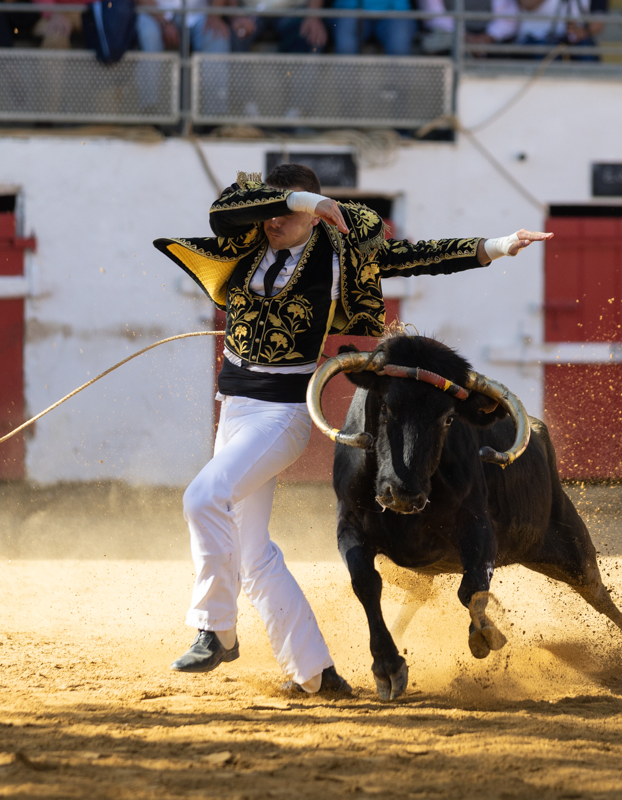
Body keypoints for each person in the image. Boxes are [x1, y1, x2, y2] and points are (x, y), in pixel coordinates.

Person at [152, 164, 551, 694]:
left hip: (282, 413)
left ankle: (216, 630)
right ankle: (316, 674)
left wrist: (498, 245)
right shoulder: (246, 236)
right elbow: (225, 208)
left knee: (203, 497)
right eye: (271, 211)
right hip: (237, 408)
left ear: (314, 220)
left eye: (287, 215)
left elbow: (419, 257)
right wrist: (300, 202)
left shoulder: (343, 256)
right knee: (252, 554)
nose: (275, 222)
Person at [135, 0, 233, 55]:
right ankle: (150, 91)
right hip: (154, 13)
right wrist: (164, 22)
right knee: (150, 34)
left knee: (217, 34)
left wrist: (214, 15)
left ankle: (216, 92)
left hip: (198, 13)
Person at [229, 0, 328, 53]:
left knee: (312, 36)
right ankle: (240, 89)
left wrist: (313, 16)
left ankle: (301, 91)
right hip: (249, 11)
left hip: (294, 10)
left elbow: (312, 18)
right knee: (237, 33)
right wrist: (236, 16)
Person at [330, 0, 416, 55]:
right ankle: (346, 83)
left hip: (396, 10)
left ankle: (399, 83)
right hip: (350, 9)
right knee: (346, 45)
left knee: (399, 44)